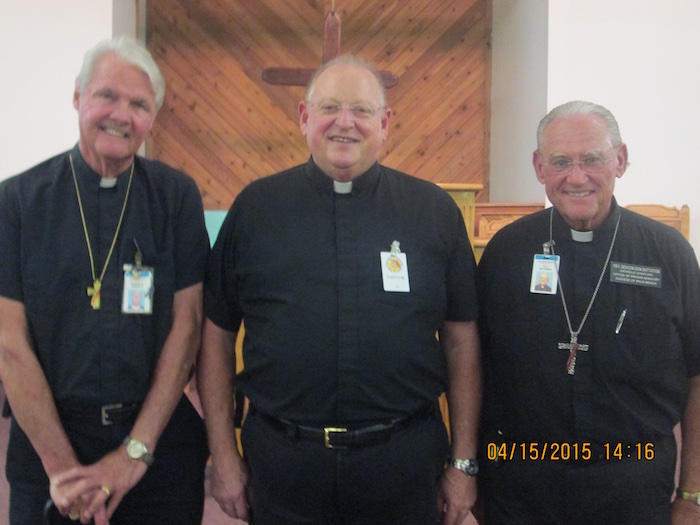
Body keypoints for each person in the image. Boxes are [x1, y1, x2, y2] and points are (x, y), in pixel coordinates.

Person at [197, 55, 482, 525]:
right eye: (329, 107)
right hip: (284, 467)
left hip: (403, 465)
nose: (344, 122)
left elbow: (461, 339)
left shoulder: (432, 212)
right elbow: (217, 335)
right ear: (304, 118)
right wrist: (223, 457)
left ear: (385, 123)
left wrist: (463, 462)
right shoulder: (256, 210)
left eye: (361, 110)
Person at [0, 37, 210, 524]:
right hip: (49, 440)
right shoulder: (18, 202)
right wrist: (63, 471)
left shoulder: (175, 197)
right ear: (78, 97)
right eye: (107, 96)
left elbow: (188, 327)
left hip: (157, 446)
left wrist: (134, 453)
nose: (122, 114)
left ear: (152, 117)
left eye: (139, 104)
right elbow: (9, 342)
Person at [476, 100, 700, 525]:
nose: (576, 177)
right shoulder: (506, 252)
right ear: (539, 168)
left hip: (633, 481)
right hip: (522, 481)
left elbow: (696, 374)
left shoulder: (669, 253)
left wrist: (692, 493)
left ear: (620, 160)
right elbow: (475, 367)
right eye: (560, 162)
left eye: (592, 160)